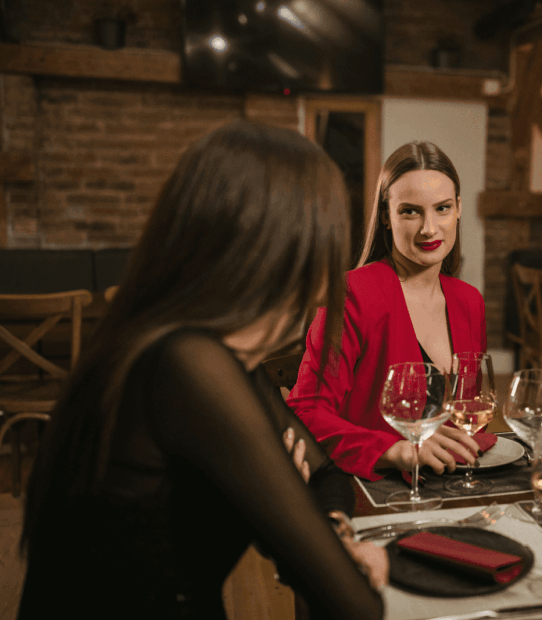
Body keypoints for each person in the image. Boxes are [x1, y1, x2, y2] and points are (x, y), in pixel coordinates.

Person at [18, 121, 387, 619]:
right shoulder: (187, 364)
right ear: (272, 250)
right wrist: (312, 532)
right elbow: (355, 606)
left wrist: (334, 529)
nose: (325, 285)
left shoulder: (223, 362)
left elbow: (326, 475)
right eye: (320, 246)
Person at [287, 141, 486, 481]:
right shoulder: (353, 294)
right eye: (410, 211)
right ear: (385, 217)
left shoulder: (470, 300)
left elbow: (467, 415)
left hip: (446, 485)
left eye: (442, 208)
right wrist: (393, 450)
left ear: (459, 209)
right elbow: (306, 411)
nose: (428, 228)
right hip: (368, 487)